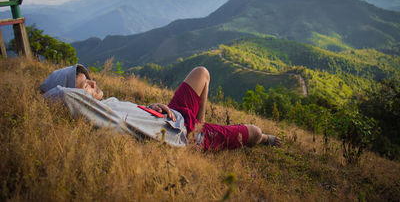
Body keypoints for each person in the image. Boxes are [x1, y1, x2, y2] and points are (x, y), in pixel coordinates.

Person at [41, 64, 281, 150]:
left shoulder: (107, 104)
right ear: (77, 96)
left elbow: (133, 115)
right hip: (184, 134)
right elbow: (57, 96)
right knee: (255, 132)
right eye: (86, 86)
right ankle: (262, 140)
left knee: (202, 72)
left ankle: (200, 124)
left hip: (174, 114)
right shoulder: (98, 113)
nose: (94, 82)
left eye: (90, 79)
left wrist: (149, 107)